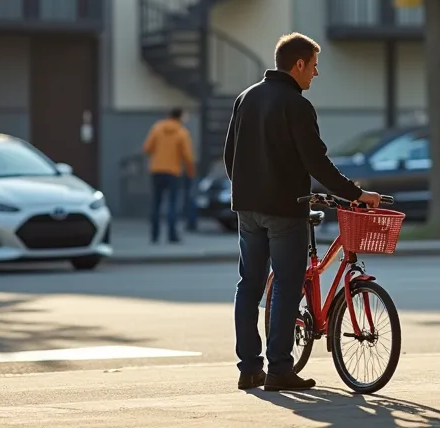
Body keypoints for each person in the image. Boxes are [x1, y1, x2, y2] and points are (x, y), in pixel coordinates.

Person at [223, 32, 382, 393]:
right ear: (298, 64)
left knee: (249, 285)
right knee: (286, 283)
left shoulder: (246, 97)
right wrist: (356, 194)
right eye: (313, 65)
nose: (316, 72)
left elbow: (230, 154)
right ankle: (280, 369)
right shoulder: (296, 105)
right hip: (285, 208)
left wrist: (246, 191)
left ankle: (249, 369)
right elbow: (317, 163)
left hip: (247, 209)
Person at [141, 108, 195, 244]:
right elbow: (187, 156)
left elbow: (147, 148)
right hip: (173, 172)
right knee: (172, 203)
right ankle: (172, 235)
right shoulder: (182, 132)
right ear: (180, 117)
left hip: (156, 170)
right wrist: (190, 171)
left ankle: (154, 235)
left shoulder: (157, 128)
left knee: (156, 203)